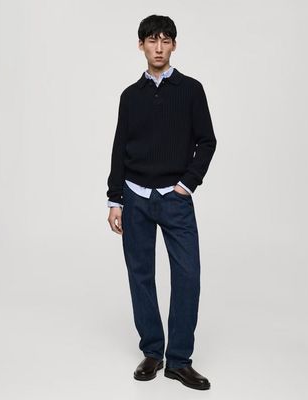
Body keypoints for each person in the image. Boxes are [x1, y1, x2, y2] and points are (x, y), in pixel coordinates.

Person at [106, 14, 217, 391]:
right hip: (135, 197)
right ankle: (153, 351)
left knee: (188, 276)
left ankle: (179, 361)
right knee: (140, 275)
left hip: (174, 198)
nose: (158, 47)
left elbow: (207, 141)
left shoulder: (191, 90)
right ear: (141, 46)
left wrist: (187, 185)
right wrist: (115, 199)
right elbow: (119, 147)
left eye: (165, 40)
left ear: (174, 45)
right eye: (152, 40)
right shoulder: (130, 96)